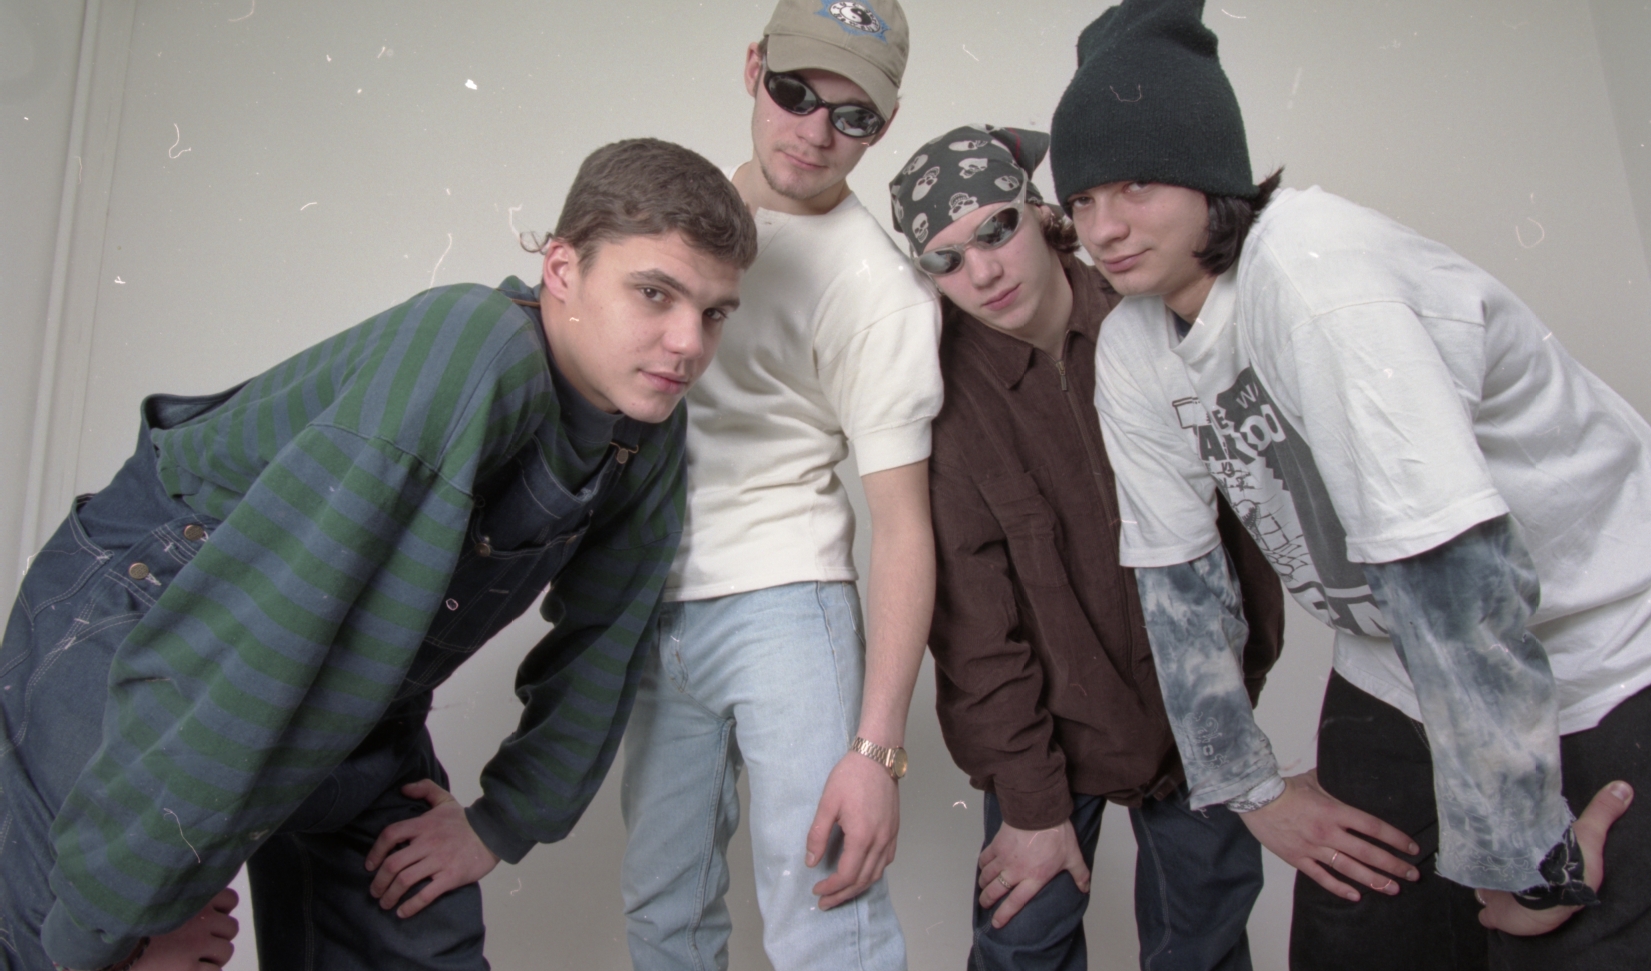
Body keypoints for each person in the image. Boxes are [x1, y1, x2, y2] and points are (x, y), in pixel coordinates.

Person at [0, 137, 757, 971]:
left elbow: (607, 636)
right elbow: (263, 629)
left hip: (350, 685)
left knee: (417, 943)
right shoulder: (473, 350)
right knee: (60, 944)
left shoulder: (645, 427)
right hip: (163, 626)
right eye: (654, 293)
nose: (687, 343)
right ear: (562, 269)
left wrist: (501, 820)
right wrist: (128, 919)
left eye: (713, 312)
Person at [1048, 1, 1648, 967]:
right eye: (1080, 201)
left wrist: (1523, 860)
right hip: (1400, 659)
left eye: (1136, 184)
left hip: (1601, 644)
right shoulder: (1133, 343)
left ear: (1210, 172)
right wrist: (1250, 787)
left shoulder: (1316, 273)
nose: (1103, 228)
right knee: (1354, 939)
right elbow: (1178, 585)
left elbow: (1451, 576)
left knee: (1560, 938)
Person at [892, 123, 1286, 971]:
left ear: (1039, 213)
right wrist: (1030, 805)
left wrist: (1232, 693)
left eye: (996, 230)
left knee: (1207, 943)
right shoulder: (940, 399)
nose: (983, 273)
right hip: (1045, 741)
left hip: (1197, 718)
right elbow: (973, 630)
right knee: (1021, 944)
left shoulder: (1153, 310)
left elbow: (1243, 530)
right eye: (946, 259)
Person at [617, 1, 942, 968]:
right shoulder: (676, 215)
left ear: (885, 125)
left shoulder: (878, 289)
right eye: (795, 92)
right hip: (654, 602)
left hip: (786, 607)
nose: (814, 131)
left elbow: (904, 525)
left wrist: (876, 750)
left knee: (826, 919)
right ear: (753, 66)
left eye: (853, 116)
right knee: (662, 914)